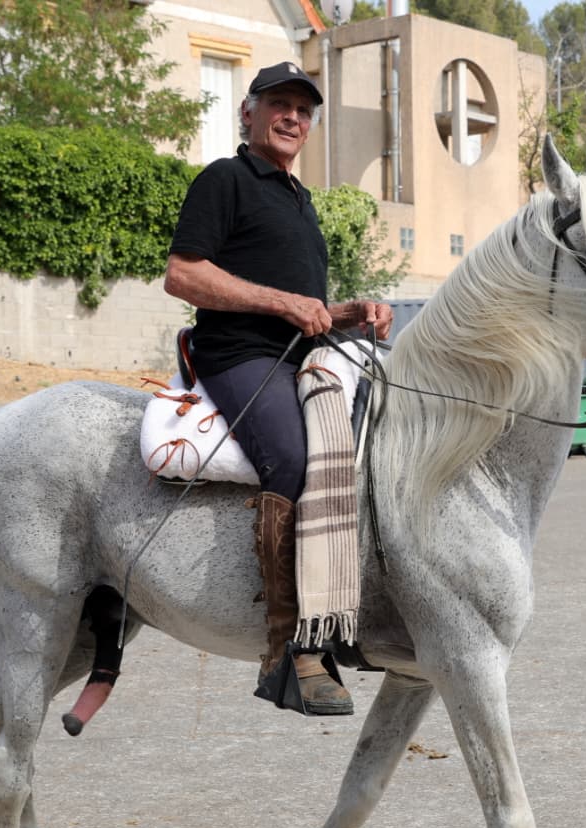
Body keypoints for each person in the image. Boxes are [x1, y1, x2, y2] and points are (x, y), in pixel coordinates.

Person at [164, 61, 393, 714]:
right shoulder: (226, 179)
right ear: (250, 112)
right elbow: (182, 275)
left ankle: (348, 605)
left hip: (303, 356)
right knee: (293, 459)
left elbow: (305, 304)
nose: (293, 117)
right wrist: (282, 304)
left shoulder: (301, 200)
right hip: (237, 354)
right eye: (280, 105)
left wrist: (352, 311)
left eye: (304, 110)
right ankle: (290, 649)